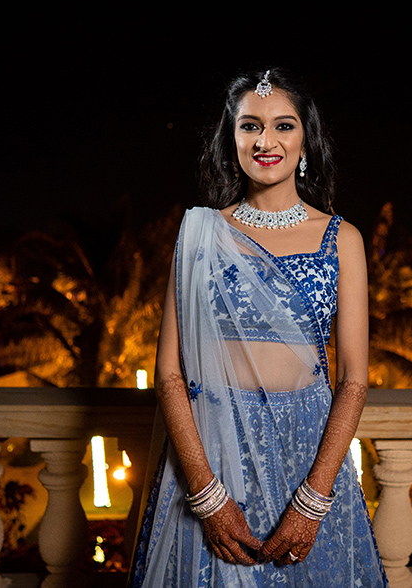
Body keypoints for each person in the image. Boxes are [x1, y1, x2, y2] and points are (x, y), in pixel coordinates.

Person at [129, 68, 387, 587]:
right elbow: (169, 375)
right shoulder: (200, 235)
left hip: (308, 458)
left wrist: (313, 500)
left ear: (305, 141)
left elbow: (353, 381)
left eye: (283, 126)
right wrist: (206, 494)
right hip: (213, 459)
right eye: (250, 126)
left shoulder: (343, 239)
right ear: (232, 142)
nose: (266, 141)